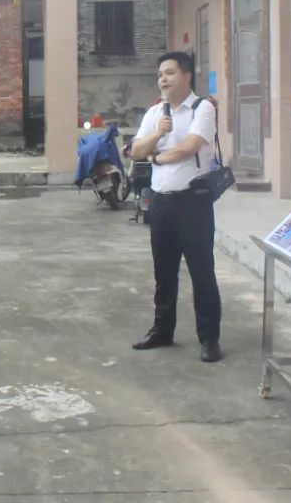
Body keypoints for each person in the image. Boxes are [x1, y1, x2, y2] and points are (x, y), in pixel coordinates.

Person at [130, 51, 223, 363]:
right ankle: (162, 330)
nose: (163, 79)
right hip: (160, 203)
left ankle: (209, 338)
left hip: (193, 204)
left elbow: (189, 147)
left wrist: (156, 156)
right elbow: (135, 151)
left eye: (169, 73)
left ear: (186, 76)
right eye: (160, 75)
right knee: (164, 272)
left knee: (202, 272)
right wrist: (158, 134)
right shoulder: (155, 113)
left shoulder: (203, 108)